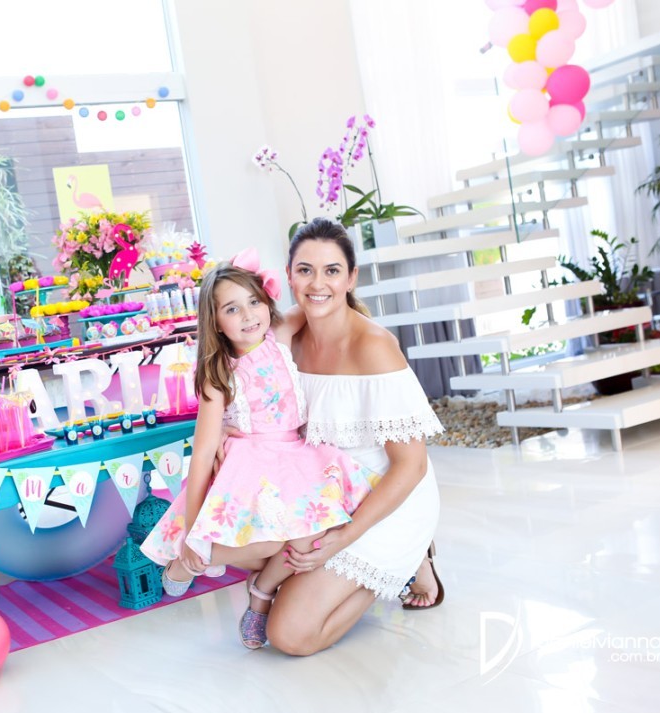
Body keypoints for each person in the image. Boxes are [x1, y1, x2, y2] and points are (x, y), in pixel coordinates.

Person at [140, 249, 377, 649]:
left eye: (254, 301)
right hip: (254, 464)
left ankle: (262, 591)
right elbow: (203, 452)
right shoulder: (219, 373)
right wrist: (194, 530)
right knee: (269, 541)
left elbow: (318, 302)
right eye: (232, 309)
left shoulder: (278, 336)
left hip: (299, 457)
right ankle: (190, 559)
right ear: (215, 322)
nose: (248, 315)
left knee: (318, 532)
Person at [263, 217, 445, 656]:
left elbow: (411, 466)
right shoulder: (288, 339)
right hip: (327, 497)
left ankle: (404, 562)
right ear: (289, 276)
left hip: (386, 501)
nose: (317, 283)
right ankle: (402, 562)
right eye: (305, 270)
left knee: (289, 635)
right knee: (247, 544)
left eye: (331, 271)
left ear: (351, 278)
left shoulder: (373, 347)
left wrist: (344, 539)